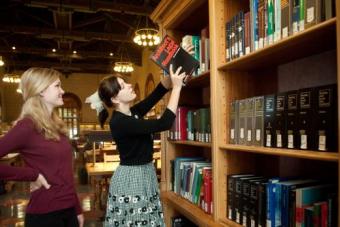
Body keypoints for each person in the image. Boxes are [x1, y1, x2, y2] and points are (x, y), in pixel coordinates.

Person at [90, 62, 189, 226]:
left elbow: (158, 91)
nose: (129, 85)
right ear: (115, 98)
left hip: (144, 174)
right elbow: (163, 124)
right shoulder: (120, 122)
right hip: (132, 179)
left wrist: (176, 65)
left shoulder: (132, 113)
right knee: (135, 221)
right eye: (123, 85)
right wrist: (177, 88)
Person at [0, 67, 84, 227]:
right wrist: (32, 175)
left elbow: (65, 173)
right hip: (45, 216)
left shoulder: (57, 125)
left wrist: (77, 208)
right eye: (57, 86)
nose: (62, 90)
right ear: (41, 91)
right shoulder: (27, 125)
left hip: (69, 210)